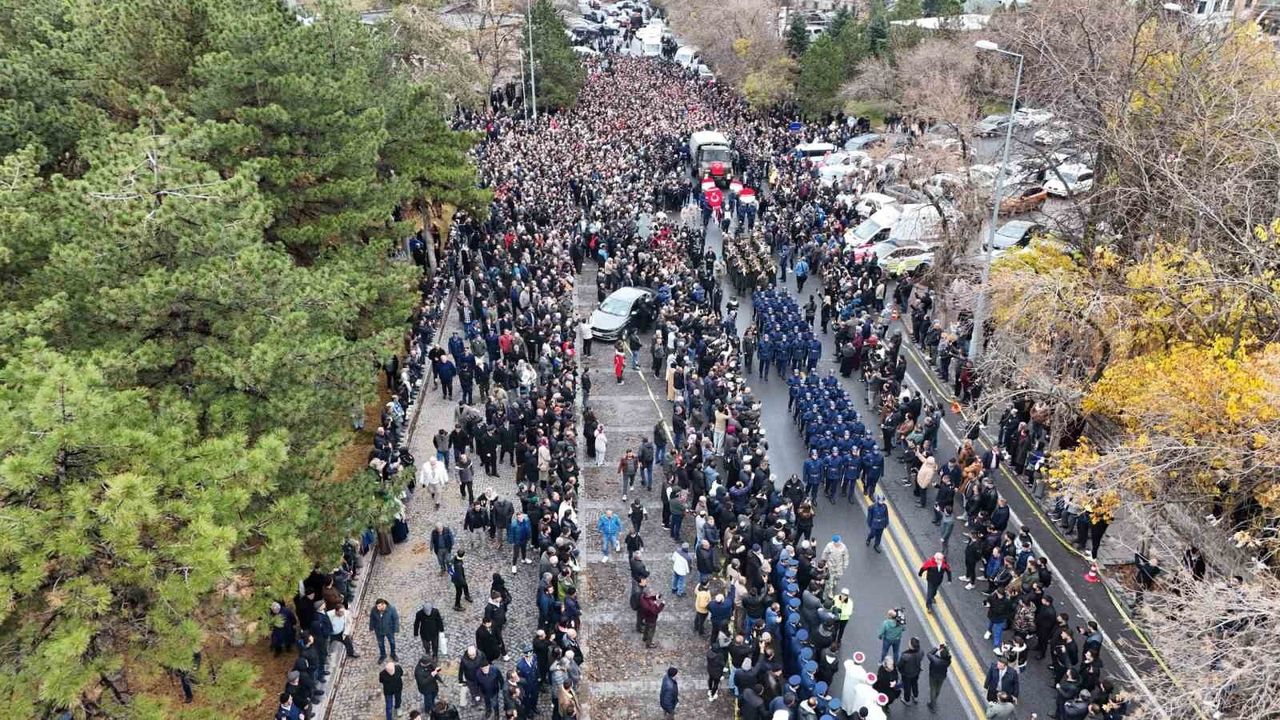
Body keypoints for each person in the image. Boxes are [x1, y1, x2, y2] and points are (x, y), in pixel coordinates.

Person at [369, 599, 400, 663]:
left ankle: (393, 654)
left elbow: (396, 619)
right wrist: (371, 627)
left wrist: (396, 628)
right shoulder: (374, 610)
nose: (378, 608)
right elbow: (372, 619)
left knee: (392, 642)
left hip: (389, 630)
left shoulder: (391, 609)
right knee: (380, 644)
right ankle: (383, 655)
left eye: (379, 606)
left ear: (383, 604)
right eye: (377, 606)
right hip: (379, 630)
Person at [926, 643, 952, 713]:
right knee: (938, 689)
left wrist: (937, 648)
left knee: (933, 689)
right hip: (942, 676)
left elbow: (929, 654)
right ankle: (934, 699)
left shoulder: (935, 660)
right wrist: (945, 649)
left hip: (933, 676)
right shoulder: (948, 661)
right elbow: (948, 655)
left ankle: (932, 704)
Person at [899, 637, 923, 705]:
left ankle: (907, 700)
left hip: (907, 674)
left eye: (909, 642)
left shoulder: (905, 656)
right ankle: (915, 696)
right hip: (916, 672)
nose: (908, 642)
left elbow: (899, 665)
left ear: (911, 646)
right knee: (915, 684)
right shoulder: (920, 652)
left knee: (907, 687)